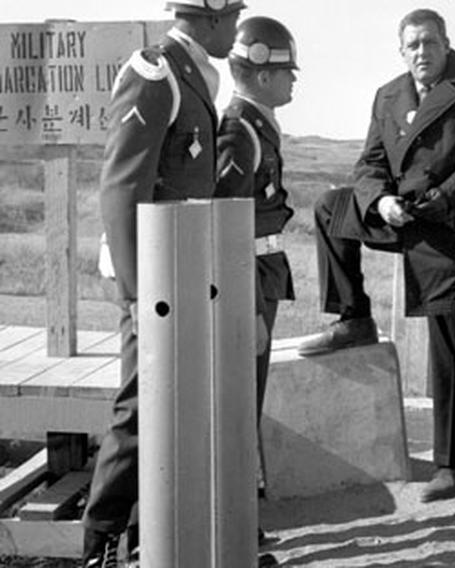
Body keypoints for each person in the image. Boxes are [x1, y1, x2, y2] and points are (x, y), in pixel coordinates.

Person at [296, 8, 455, 502]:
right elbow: (369, 163)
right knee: (331, 208)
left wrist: (441, 201)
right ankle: (353, 316)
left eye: (430, 43)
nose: (421, 53)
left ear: (446, 43)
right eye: (412, 46)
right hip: (404, 214)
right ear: (401, 51)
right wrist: (380, 201)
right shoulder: (389, 95)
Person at [83, 1, 245, 565]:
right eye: (234, 16)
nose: (237, 27)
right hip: (152, 276)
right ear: (211, 17)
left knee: (178, 402)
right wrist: (138, 291)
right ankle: (101, 540)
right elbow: (122, 186)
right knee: (141, 404)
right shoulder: (157, 74)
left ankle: (159, 539)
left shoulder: (192, 72)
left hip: (182, 269)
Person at [214, 15, 297, 493]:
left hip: (262, 273)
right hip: (248, 280)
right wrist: (247, 307)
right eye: (288, 73)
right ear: (264, 75)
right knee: (240, 404)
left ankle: (241, 516)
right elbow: (227, 227)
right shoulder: (239, 132)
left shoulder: (257, 128)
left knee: (250, 398)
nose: (293, 83)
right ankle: (237, 522)